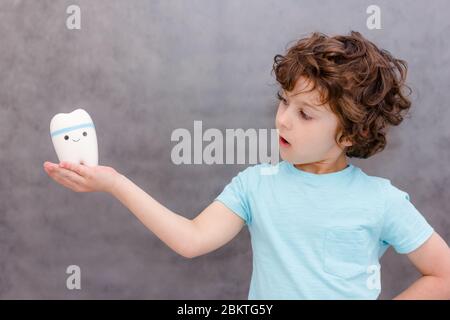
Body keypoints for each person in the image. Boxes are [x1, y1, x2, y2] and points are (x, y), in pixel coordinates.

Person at [43, 31, 450, 299]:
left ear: (349, 136)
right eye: (284, 101)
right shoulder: (256, 185)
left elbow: (442, 275)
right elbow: (191, 239)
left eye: (306, 114)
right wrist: (114, 183)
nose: (283, 119)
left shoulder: (381, 201)